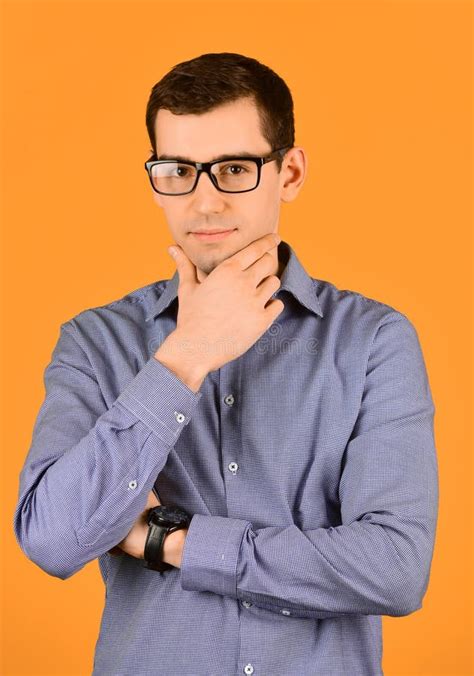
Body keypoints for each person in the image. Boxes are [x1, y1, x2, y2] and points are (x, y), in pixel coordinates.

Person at [13, 52, 439, 676]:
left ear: (289, 173)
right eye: (178, 170)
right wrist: (187, 355)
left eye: (234, 169)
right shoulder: (95, 341)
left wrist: (172, 543)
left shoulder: (374, 340)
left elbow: (395, 568)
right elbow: (51, 538)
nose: (204, 202)